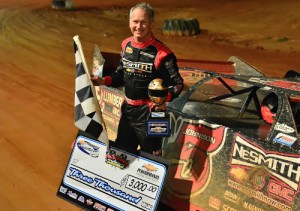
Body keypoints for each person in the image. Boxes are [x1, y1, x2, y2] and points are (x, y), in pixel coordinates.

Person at [91, 2, 184, 156]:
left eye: (143, 22)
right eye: (135, 22)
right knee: (121, 153)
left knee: (154, 158)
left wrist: (162, 99)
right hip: (128, 109)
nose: (139, 26)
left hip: (154, 113)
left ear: (151, 24)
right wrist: (102, 81)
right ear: (129, 22)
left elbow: (178, 84)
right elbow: (120, 75)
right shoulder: (125, 44)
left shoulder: (163, 54)